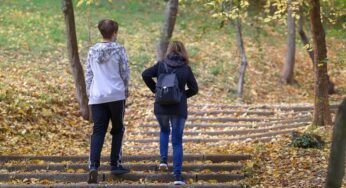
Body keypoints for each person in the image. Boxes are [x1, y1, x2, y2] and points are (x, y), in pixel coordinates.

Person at [142, 41, 198, 185]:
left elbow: (145, 74)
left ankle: (163, 161)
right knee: (177, 141)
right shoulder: (186, 69)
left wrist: (155, 90)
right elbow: (194, 89)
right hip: (178, 109)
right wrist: (182, 95)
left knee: (164, 131)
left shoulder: (161, 65)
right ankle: (178, 176)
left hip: (161, 107)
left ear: (169, 51)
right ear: (183, 52)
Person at [85, 19, 130, 184]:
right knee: (118, 129)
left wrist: (91, 92)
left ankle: (93, 166)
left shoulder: (92, 51)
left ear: (100, 32)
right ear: (115, 33)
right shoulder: (119, 50)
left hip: (97, 96)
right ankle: (115, 164)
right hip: (116, 95)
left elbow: (89, 73)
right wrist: (125, 89)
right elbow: (124, 72)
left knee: (98, 131)